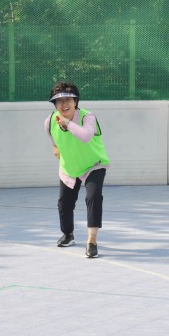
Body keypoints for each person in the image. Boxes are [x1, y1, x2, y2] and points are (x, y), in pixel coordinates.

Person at [43, 81, 110, 258]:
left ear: (76, 102)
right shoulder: (50, 121)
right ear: (55, 105)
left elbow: (86, 136)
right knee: (64, 204)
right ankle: (68, 234)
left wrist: (67, 123)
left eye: (68, 100)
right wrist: (55, 147)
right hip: (70, 167)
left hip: (94, 164)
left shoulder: (88, 117)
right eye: (59, 101)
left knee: (93, 197)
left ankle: (92, 241)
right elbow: (53, 139)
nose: (64, 104)